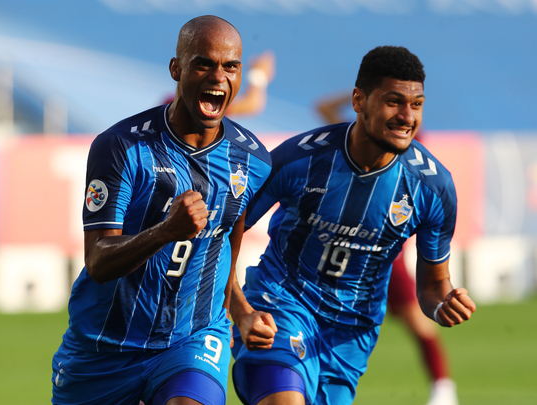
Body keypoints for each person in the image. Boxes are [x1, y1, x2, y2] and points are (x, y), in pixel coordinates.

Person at [229, 45, 476, 405]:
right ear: (358, 100)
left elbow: (434, 287)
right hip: (281, 303)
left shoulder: (434, 188)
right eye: (394, 102)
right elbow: (226, 232)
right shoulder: (299, 159)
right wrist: (239, 309)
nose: (407, 116)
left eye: (417, 104)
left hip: (351, 334)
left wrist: (443, 304)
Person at [51, 15, 272, 405]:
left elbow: (225, 247)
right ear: (177, 69)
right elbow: (98, 261)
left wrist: (240, 311)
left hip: (193, 338)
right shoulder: (120, 147)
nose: (218, 76)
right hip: (104, 348)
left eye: (231, 66)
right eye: (203, 63)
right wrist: (164, 232)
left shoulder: (252, 161)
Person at [316, 89, 460, 405]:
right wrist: (364, 93)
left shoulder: (410, 147)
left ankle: (443, 388)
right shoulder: (358, 138)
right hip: (343, 250)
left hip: (382, 258)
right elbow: (323, 108)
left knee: (417, 322)